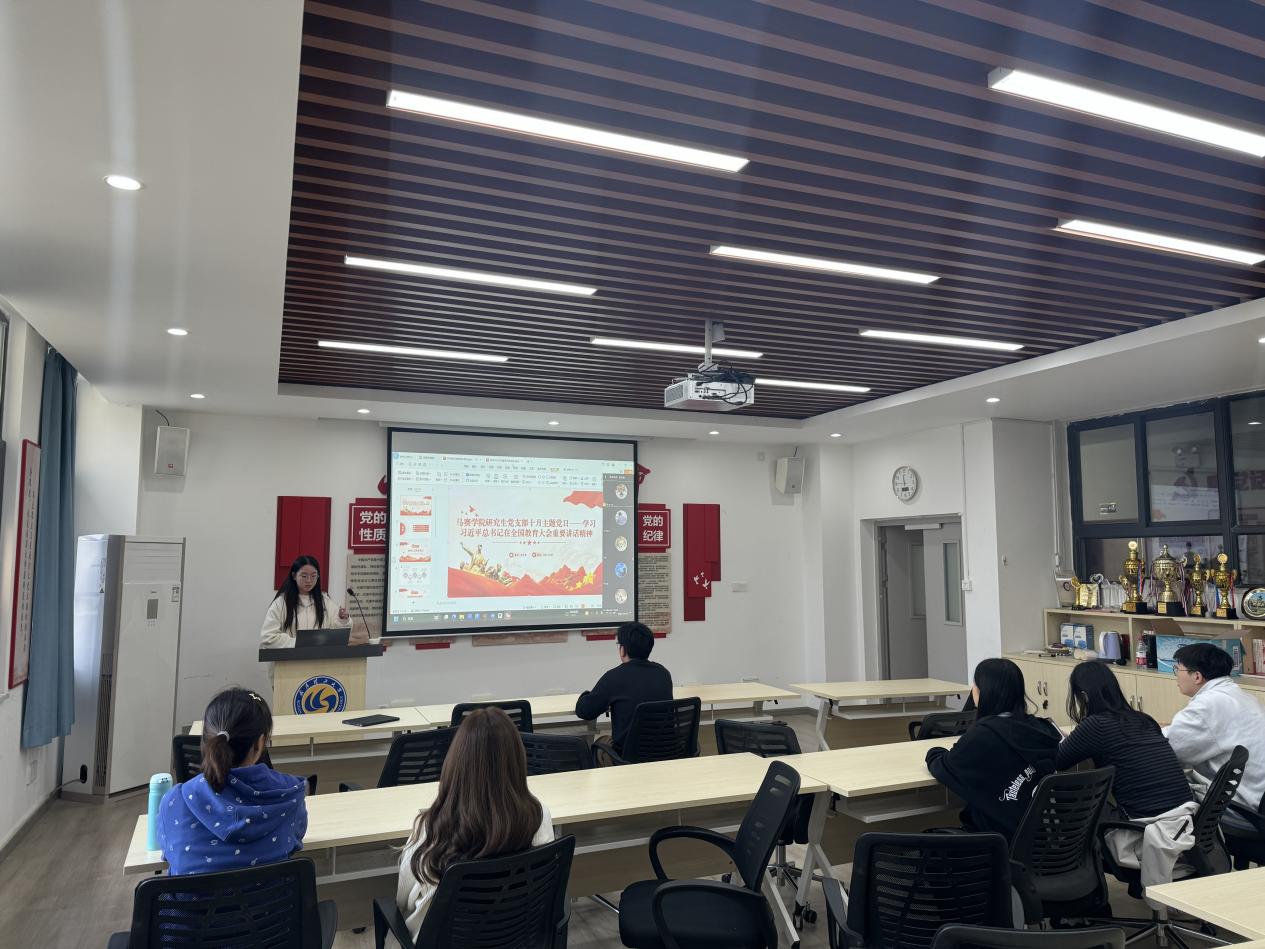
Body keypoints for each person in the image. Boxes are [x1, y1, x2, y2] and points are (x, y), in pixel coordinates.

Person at [396, 708, 553, 942]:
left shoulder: (431, 827)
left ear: (456, 761)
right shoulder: (538, 816)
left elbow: (403, 902)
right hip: (514, 938)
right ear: (517, 760)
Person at [157, 688, 308, 875]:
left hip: (195, 896)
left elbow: (168, 852)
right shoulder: (290, 796)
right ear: (260, 743)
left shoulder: (174, 801)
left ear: (206, 740)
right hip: (272, 894)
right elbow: (296, 841)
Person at [925, 658, 1062, 839]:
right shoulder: (1042, 729)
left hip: (999, 841)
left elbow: (944, 766)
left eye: (975, 685)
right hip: (1043, 838)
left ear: (984, 692)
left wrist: (934, 752)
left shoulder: (983, 736)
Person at [1057, 661, 1193, 819]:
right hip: (1185, 817)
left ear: (1084, 697)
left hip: (1147, 824)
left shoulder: (1096, 724)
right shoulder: (1144, 720)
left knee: (1077, 798)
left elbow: (1058, 761)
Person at [1164, 643, 1265, 827]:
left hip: (1246, 809)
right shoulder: (1240, 697)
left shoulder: (1207, 705)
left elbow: (1168, 752)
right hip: (1257, 796)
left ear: (1197, 676)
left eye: (1177, 669)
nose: (1176, 675)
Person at [575, 621, 672, 752]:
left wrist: (586, 695)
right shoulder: (663, 673)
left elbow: (585, 711)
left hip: (627, 757)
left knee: (600, 743)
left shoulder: (614, 677)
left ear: (623, 649)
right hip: (667, 752)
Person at [260, 554, 349, 648]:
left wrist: (342, 620)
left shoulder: (326, 602)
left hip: (319, 656)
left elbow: (339, 635)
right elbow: (268, 637)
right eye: (304, 576)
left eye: (313, 576)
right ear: (294, 576)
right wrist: (299, 643)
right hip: (290, 656)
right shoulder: (281, 603)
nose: (309, 580)